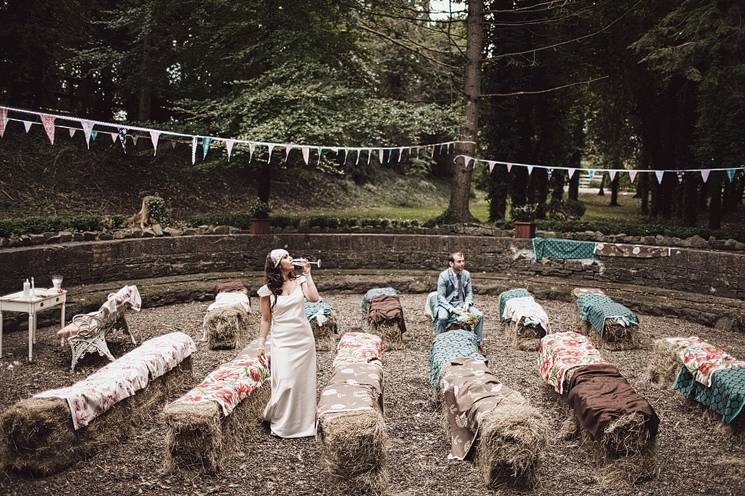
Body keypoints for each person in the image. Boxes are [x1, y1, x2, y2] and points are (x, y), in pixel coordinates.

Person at [256, 248, 320, 438]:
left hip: (303, 339)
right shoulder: (267, 291)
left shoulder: (300, 281)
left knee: (302, 383)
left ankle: (303, 425)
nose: (290, 258)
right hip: (282, 340)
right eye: (285, 256)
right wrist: (261, 344)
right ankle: (282, 422)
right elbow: (266, 319)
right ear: (277, 264)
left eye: (289, 255)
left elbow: (314, 298)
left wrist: (308, 274)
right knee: (286, 382)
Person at [435, 251, 484, 345]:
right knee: (442, 318)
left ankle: (478, 343)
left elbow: (469, 292)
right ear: (451, 263)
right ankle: (440, 343)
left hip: (462, 303)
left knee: (479, 316)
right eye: (459, 261)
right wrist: (452, 309)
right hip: (447, 304)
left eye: (463, 261)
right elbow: (440, 297)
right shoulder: (443, 276)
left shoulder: (466, 274)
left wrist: (467, 303)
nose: (462, 264)